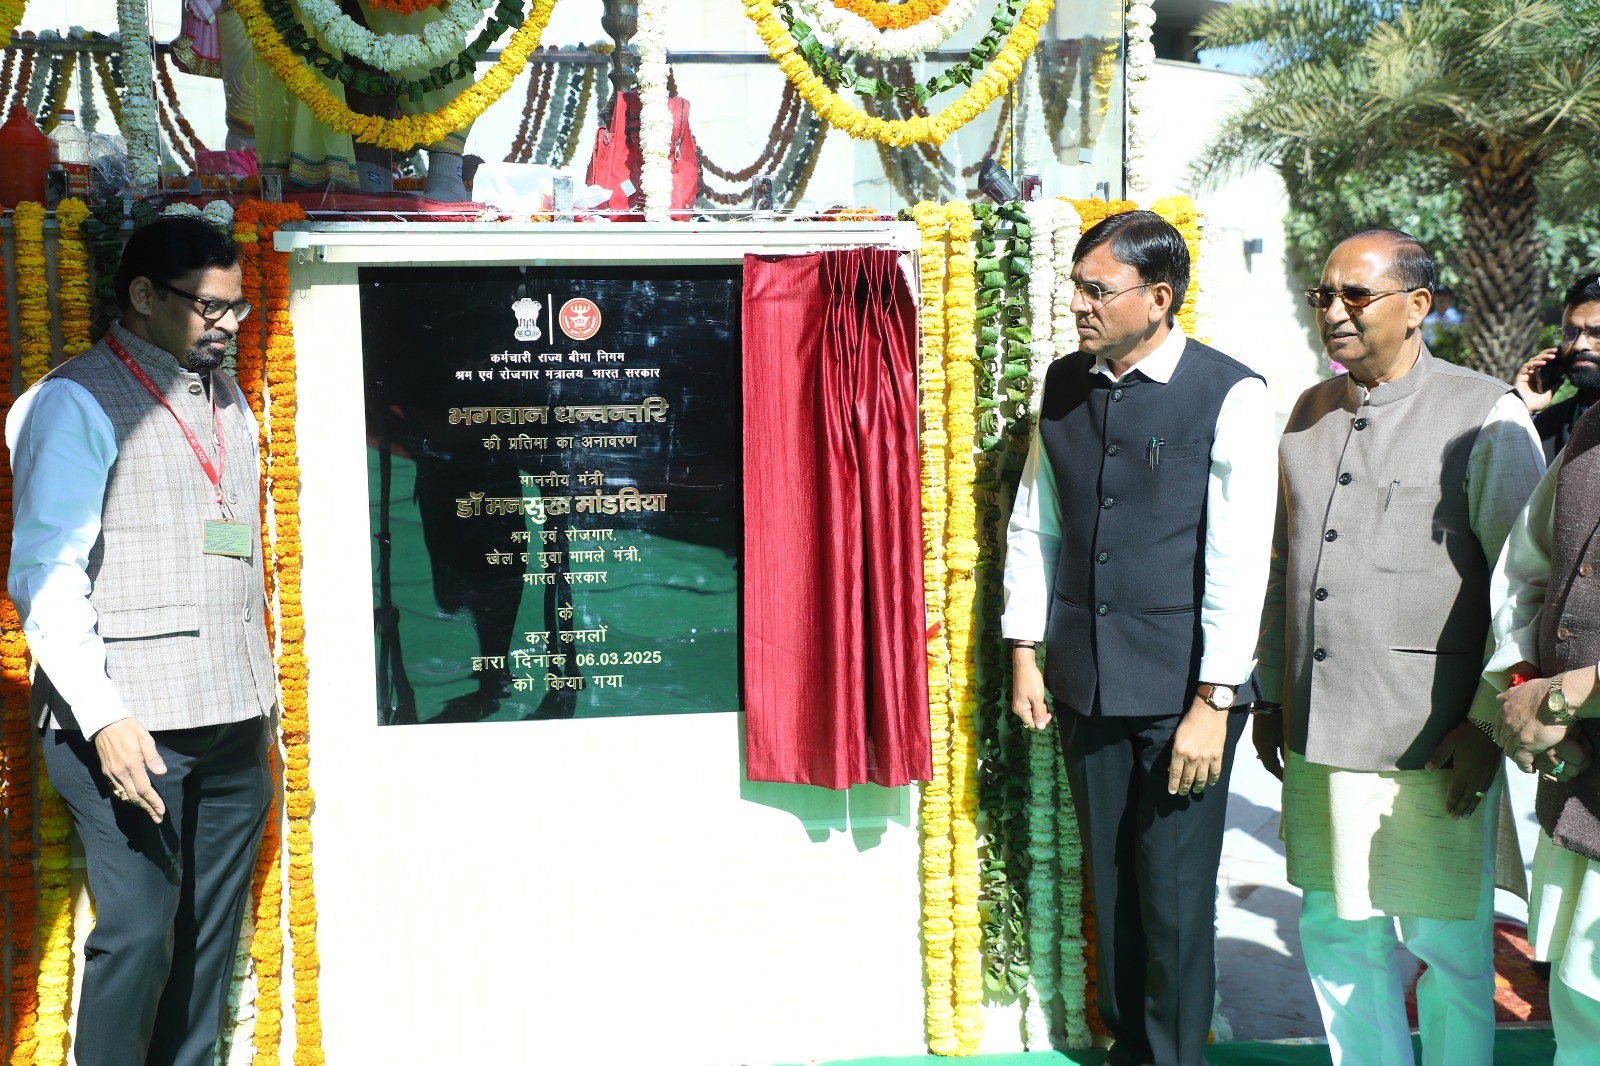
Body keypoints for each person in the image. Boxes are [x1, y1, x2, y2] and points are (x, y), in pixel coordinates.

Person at [1254, 229, 1545, 1066]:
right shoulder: (1311, 411)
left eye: (1357, 296)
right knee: (1337, 935)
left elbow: (1520, 584)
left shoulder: (1485, 412)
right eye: (1325, 296)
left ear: (1417, 306)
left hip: (1431, 737)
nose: (1335, 313)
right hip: (1319, 731)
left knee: (1449, 947)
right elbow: (1284, 568)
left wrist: (1489, 726)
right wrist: (1273, 694)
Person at [1003, 210, 1276, 1066]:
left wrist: (1215, 697)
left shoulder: (1230, 393)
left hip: (1186, 696)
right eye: (1076, 286)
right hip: (1085, 681)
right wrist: (1024, 650)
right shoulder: (1064, 385)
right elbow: (1033, 525)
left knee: (1175, 896)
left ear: (1158, 298)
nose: (1077, 304)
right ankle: (1132, 1051)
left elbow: (1240, 557)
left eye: (1096, 289)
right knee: (1114, 887)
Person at [7, 216, 277, 1065]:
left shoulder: (225, 394)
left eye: (238, 308)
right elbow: (45, 573)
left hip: (235, 717)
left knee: (205, 939)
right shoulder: (76, 399)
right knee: (138, 935)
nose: (229, 325)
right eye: (210, 308)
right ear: (143, 297)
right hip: (132, 727)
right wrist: (105, 718)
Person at [1482, 403, 1600, 1066]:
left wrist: (1566, 697)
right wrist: (1527, 683)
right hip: (1583, 789)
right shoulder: (1589, 430)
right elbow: (1525, 570)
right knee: (1581, 1006)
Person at [1513, 275, 1600, 464]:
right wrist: (1521, 408)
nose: (1579, 345)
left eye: (1597, 333)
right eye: (1570, 333)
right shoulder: (1546, 427)